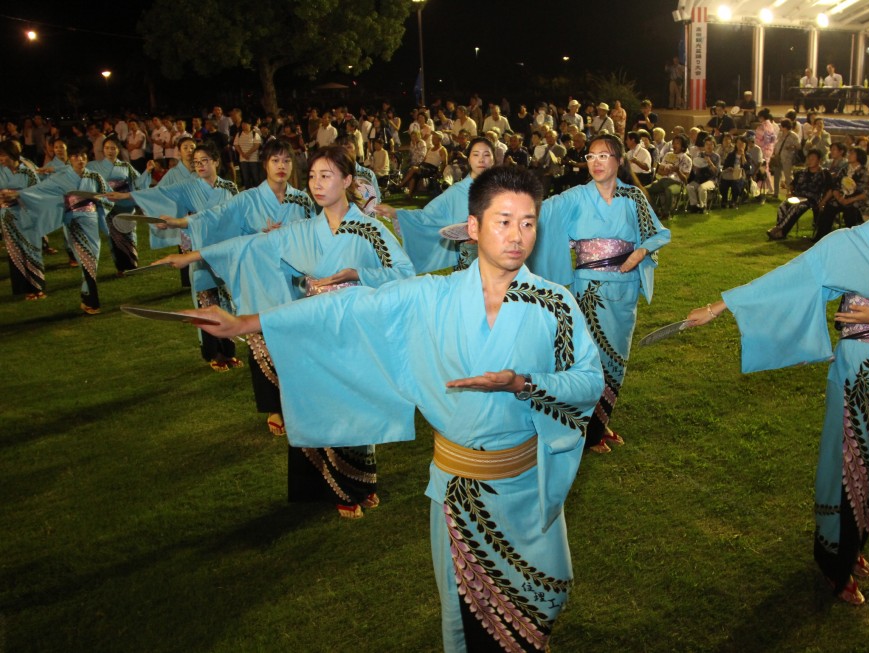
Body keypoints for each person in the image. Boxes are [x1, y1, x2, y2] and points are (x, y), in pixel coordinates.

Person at [187, 166, 603, 651]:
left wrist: (526, 382)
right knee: (469, 620)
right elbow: (350, 308)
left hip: (524, 490)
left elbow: (588, 379)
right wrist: (246, 324)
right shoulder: (433, 296)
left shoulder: (555, 304)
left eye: (528, 223)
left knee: (528, 617)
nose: (517, 236)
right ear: (473, 228)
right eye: (504, 221)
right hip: (459, 495)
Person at [686, 150, 869, 606]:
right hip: (856, 369)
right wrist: (720, 307)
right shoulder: (845, 243)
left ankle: (856, 547)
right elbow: (789, 279)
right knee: (848, 458)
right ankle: (835, 560)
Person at [158, 145, 414, 516]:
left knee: (351, 403)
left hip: (351, 331)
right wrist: (193, 256)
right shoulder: (304, 230)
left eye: (326, 176)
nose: (316, 184)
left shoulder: (371, 230)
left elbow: (404, 274)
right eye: (311, 176)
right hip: (311, 327)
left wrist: (359, 274)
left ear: (346, 180)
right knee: (319, 401)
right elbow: (253, 245)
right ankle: (331, 487)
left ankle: (360, 482)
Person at [156, 140, 315, 436]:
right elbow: (215, 217)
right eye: (275, 161)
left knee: (294, 342)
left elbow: (314, 235)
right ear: (264, 164)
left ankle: (297, 400)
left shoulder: (302, 200)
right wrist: (181, 222)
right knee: (263, 342)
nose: (281, 166)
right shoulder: (248, 199)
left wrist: (290, 235)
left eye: (286, 161)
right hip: (258, 280)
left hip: (293, 281)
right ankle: (274, 407)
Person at [529, 134, 671, 453]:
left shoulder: (633, 197)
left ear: (619, 160)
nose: (596, 162)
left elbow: (659, 233)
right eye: (591, 156)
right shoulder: (575, 196)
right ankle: (588, 433)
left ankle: (600, 421)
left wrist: (639, 252)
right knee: (590, 359)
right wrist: (501, 217)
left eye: (603, 156)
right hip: (588, 291)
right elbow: (540, 212)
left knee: (616, 359)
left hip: (624, 292)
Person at [108, 140, 241, 370]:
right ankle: (213, 354)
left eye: (204, 161)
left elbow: (239, 215)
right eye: (196, 162)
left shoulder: (229, 187)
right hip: (199, 250)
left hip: (224, 252)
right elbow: (160, 192)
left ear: (216, 162)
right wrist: (126, 197)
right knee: (205, 300)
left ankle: (229, 351)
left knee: (226, 301)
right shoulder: (188, 187)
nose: (199, 166)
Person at [6, 139, 113, 314]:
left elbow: (107, 196)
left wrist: (99, 199)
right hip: (73, 222)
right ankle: (93, 302)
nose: (80, 160)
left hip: (91, 220)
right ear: (70, 158)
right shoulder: (61, 178)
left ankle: (87, 296)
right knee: (86, 259)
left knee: (93, 258)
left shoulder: (94, 177)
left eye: (83, 156)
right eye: (76, 156)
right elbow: (39, 190)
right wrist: (18, 194)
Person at [375, 138, 494, 273]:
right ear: (469, 159)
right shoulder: (457, 192)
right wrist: (396, 213)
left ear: (494, 159)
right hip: (469, 260)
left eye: (487, 154)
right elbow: (428, 216)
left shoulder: (503, 191)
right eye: (476, 154)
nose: (481, 159)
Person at [86, 137, 154, 273]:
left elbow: (138, 183)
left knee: (128, 233)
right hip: (107, 205)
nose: (110, 151)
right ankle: (121, 267)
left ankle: (132, 264)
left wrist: (148, 170)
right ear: (103, 150)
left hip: (125, 203)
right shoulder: (93, 166)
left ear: (118, 150)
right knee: (114, 236)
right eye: (107, 148)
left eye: (113, 148)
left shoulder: (125, 166)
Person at [0, 140, 44, 298]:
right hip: (8, 216)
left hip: (26, 214)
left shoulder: (28, 172)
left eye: (3, 155)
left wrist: (18, 194)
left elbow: (39, 193)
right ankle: (23, 289)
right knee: (15, 250)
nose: (1, 159)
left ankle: (37, 287)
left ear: (12, 155)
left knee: (31, 248)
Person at [765, 150, 833, 241]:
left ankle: (778, 229)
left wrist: (823, 202)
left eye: (813, 159)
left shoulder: (824, 173)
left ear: (819, 161)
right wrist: (790, 191)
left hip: (811, 200)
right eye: (809, 158)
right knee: (782, 206)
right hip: (797, 197)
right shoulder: (801, 173)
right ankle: (782, 233)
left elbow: (830, 189)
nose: (810, 161)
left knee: (797, 207)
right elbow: (792, 185)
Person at [814, 147, 869, 241]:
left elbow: (865, 192)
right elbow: (835, 186)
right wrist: (839, 198)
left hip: (855, 199)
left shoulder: (864, 172)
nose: (849, 156)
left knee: (851, 211)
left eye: (852, 154)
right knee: (829, 208)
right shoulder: (844, 170)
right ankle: (821, 237)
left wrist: (849, 200)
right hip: (841, 198)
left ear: (859, 157)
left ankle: (853, 239)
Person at [769, 119, 801, 200]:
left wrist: (791, 147)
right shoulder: (780, 134)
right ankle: (776, 193)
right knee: (776, 175)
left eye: (782, 126)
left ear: (785, 127)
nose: (780, 127)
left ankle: (791, 193)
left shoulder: (793, 136)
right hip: (778, 157)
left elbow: (798, 146)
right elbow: (776, 144)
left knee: (788, 177)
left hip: (787, 158)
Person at [719, 136, 751, 208]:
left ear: (745, 145)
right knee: (724, 181)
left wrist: (742, 156)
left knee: (736, 182)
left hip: (741, 175)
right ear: (736, 144)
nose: (740, 145)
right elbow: (725, 166)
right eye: (739, 143)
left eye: (742, 144)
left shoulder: (747, 156)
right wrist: (729, 168)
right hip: (730, 174)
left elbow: (747, 168)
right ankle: (724, 200)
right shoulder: (731, 155)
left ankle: (734, 200)